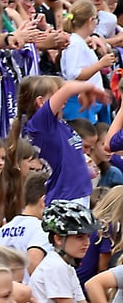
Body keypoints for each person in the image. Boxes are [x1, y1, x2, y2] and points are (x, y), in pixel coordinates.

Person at [30, 201, 123, 303]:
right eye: (79, 237)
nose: (86, 243)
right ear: (59, 239)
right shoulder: (55, 265)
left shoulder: (66, 266)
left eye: (87, 236)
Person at [9, 75, 102, 208]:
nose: (64, 101)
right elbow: (67, 89)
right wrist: (89, 87)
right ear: (41, 102)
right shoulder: (40, 124)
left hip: (77, 194)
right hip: (64, 198)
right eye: (58, 95)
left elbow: (65, 86)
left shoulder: (57, 123)